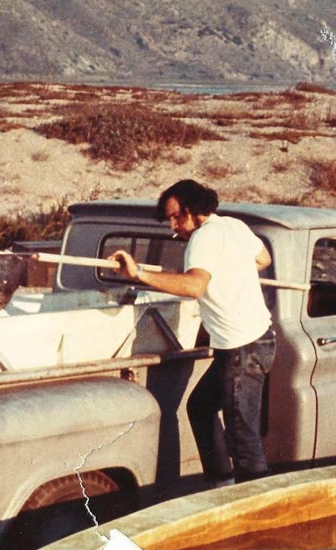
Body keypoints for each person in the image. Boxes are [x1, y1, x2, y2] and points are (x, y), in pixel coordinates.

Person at [109, 179, 275, 486]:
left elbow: (194, 286)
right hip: (256, 340)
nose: (174, 226)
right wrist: (230, 270)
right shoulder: (234, 226)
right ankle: (221, 483)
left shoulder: (202, 240)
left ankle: (257, 517)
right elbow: (263, 259)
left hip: (242, 348)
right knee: (200, 407)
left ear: (195, 208)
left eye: (177, 216)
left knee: (243, 438)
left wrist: (138, 274)